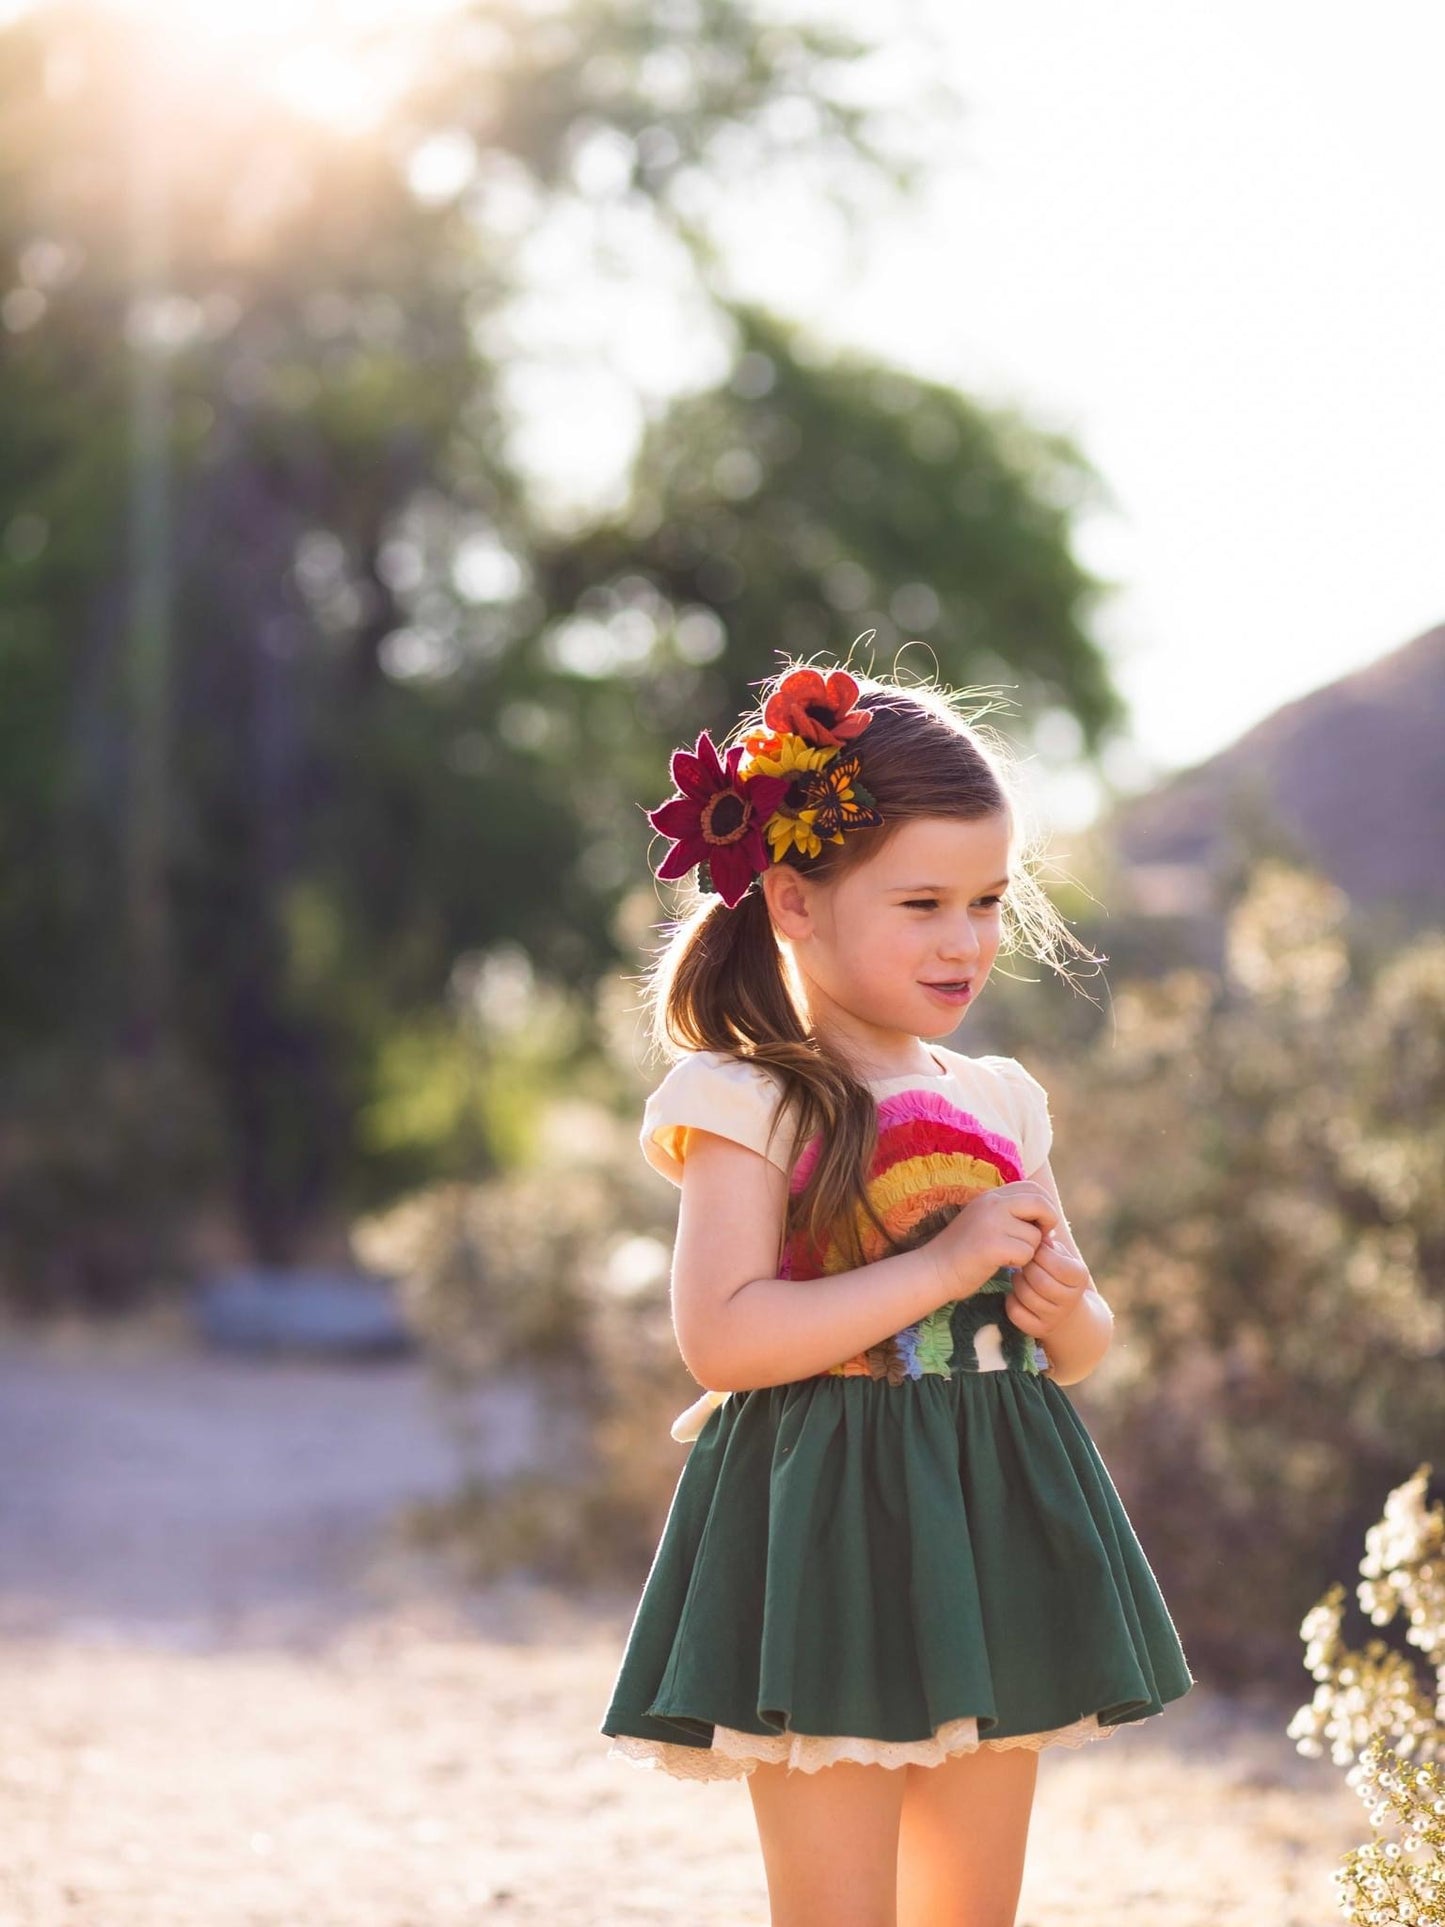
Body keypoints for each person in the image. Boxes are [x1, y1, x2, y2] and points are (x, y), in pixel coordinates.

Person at [600, 659, 1195, 1927]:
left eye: (986, 901)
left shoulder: (1001, 1099)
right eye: (921, 901)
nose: (965, 939)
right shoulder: (746, 1096)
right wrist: (934, 1267)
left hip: (991, 1514)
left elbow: (1077, 1348)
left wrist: (1059, 1302)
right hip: (823, 1526)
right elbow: (722, 1336)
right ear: (793, 899)